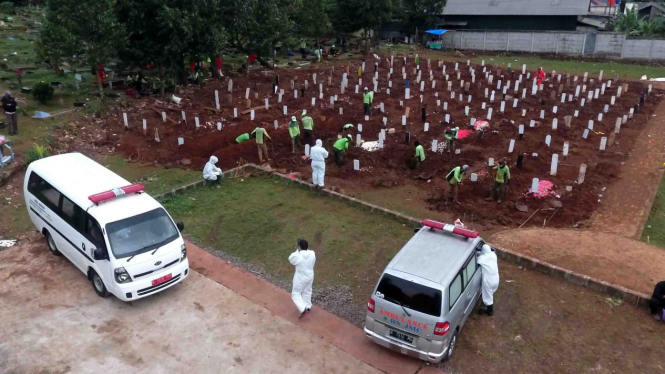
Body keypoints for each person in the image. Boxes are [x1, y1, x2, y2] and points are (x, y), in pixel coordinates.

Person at [289, 238, 316, 318]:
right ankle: (307, 307)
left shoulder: (298, 256)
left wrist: (298, 251)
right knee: (307, 291)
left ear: (299, 247)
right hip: (310, 275)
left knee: (295, 294)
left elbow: (291, 259)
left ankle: (303, 309)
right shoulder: (312, 253)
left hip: (301, 276)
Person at [477, 244, 499, 316]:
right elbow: (486, 255)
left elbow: (477, 260)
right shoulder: (493, 255)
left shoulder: (481, 259)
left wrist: (478, 253)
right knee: (490, 293)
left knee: (488, 296)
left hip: (488, 279)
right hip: (496, 277)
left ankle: (490, 311)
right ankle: (485, 306)